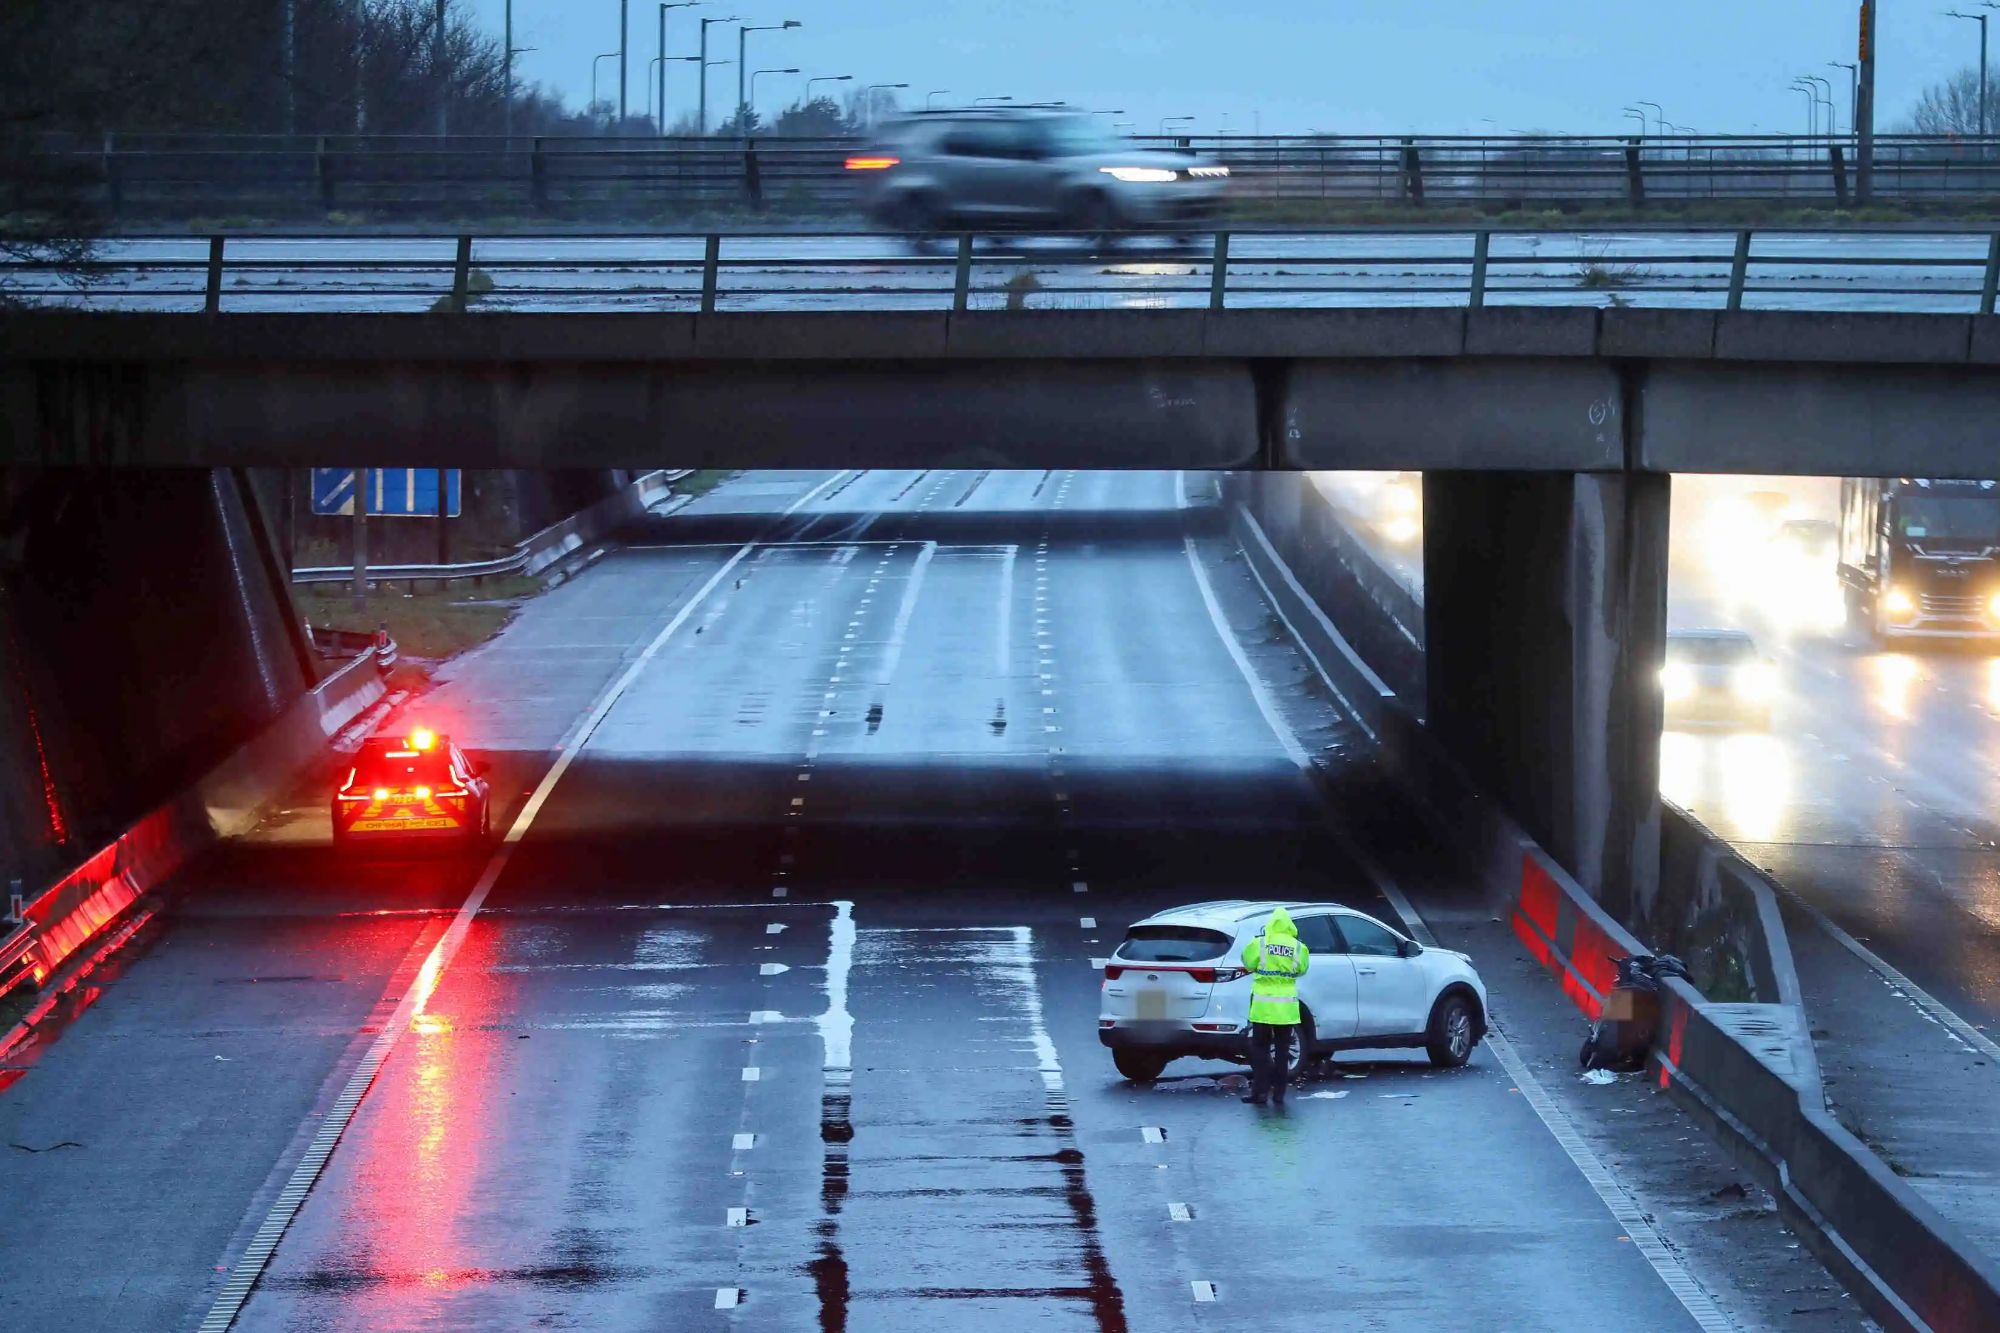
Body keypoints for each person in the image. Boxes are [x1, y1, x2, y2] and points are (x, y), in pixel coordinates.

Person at [1240, 907, 1310, 1106]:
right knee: (1282, 1050)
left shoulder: (1260, 943)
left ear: (1271, 924)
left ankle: (1260, 1092)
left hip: (1262, 1005)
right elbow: (1302, 969)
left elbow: (1247, 963)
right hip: (1287, 1007)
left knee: (1260, 1048)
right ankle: (1279, 1094)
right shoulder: (1298, 947)